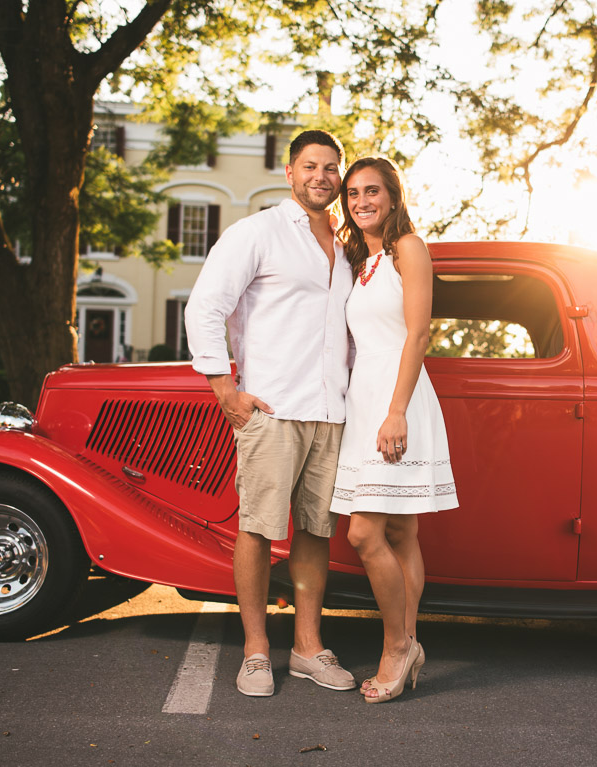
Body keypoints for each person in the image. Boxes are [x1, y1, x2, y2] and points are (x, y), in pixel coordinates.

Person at [184, 130, 357, 697]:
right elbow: (206, 306)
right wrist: (225, 390)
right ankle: (256, 651)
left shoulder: (348, 243)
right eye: (311, 166)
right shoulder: (256, 232)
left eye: (332, 168)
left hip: (332, 411)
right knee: (258, 528)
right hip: (273, 407)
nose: (322, 177)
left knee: (314, 531)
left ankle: (307, 648)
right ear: (289, 172)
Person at [331, 157, 458, 704]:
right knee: (402, 534)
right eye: (353, 193)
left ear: (392, 195)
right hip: (365, 400)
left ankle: (397, 645)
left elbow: (419, 334)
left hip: (397, 401)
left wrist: (397, 410)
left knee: (364, 533)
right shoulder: (364, 260)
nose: (362, 201)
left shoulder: (409, 247)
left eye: (372, 191)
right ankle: (410, 640)